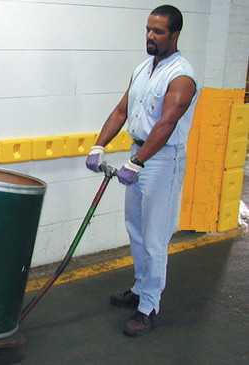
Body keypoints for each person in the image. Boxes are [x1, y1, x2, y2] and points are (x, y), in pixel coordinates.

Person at [85, 5, 199, 337]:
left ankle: (148, 307)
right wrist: (99, 145)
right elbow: (122, 110)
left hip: (162, 161)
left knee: (154, 238)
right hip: (139, 153)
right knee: (135, 228)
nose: (150, 36)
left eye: (158, 31)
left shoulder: (181, 76)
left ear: (174, 35)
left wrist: (138, 162)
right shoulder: (142, 69)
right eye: (148, 29)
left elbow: (166, 124)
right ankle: (138, 288)